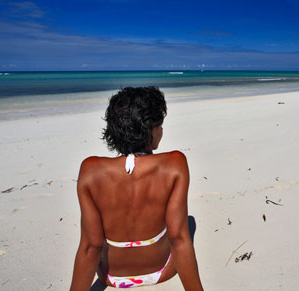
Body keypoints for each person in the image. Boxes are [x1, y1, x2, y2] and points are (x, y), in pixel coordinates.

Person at [70, 86, 203, 290]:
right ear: (150, 129)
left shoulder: (91, 171)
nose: (161, 130)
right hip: (161, 272)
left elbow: (91, 246)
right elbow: (178, 238)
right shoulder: (175, 164)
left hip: (111, 276)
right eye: (159, 124)